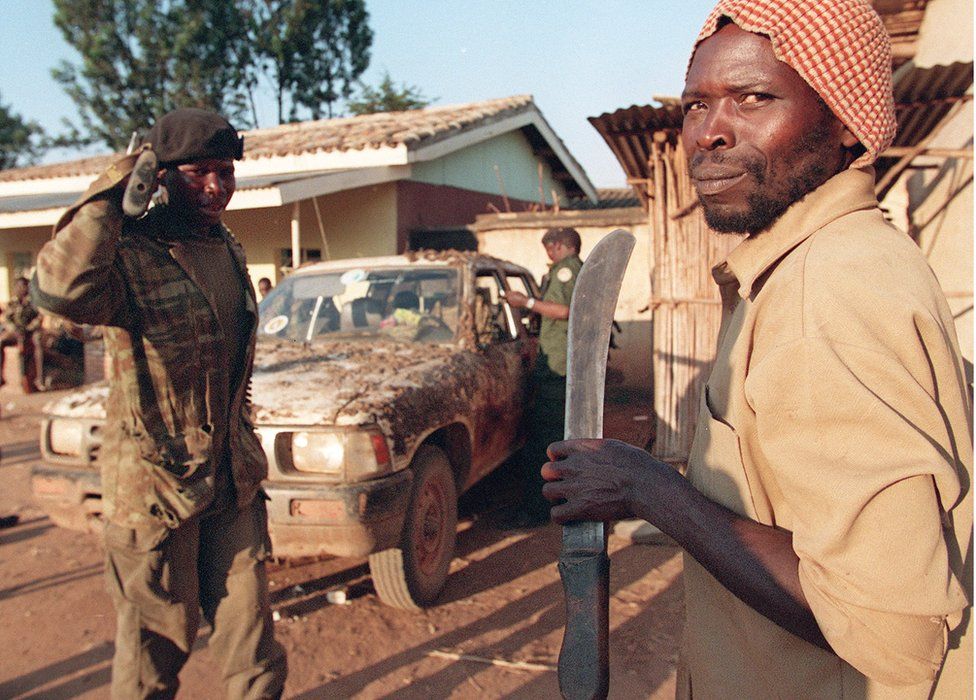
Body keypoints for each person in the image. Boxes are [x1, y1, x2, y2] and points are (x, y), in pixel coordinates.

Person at [541, 2, 972, 698]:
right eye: (696, 105)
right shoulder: (801, 270)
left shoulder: (830, 288)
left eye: (754, 98)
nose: (708, 133)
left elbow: (888, 628)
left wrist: (650, 489)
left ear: (842, 122)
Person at [31, 108, 287, 699]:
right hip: (155, 490)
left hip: (231, 477)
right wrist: (119, 183)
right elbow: (60, 288)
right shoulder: (129, 254)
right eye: (199, 172)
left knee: (253, 646)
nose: (216, 187)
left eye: (226, 171)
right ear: (162, 174)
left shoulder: (228, 248)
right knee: (153, 656)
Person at [503, 227, 583, 528]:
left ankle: (536, 510)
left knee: (543, 443)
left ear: (560, 246)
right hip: (559, 365)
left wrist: (526, 303)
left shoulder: (566, 271)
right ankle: (556, 502)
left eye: (550, 248)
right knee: (556, 438)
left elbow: (563, 310)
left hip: (558, 368)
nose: (548, 253)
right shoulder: (571, 270)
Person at [0, 277, 42, 393]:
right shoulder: (12, 303)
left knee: (34, 344)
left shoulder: (34, 302)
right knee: (1, 341)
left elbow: (39, 318)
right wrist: (14, 329)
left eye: (24, 286)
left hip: (30, 333)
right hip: (16, 333)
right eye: (19, 286)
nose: (21, 289)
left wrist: (29, 329)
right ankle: (1, 376)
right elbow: (7, 319)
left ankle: (34, 380)